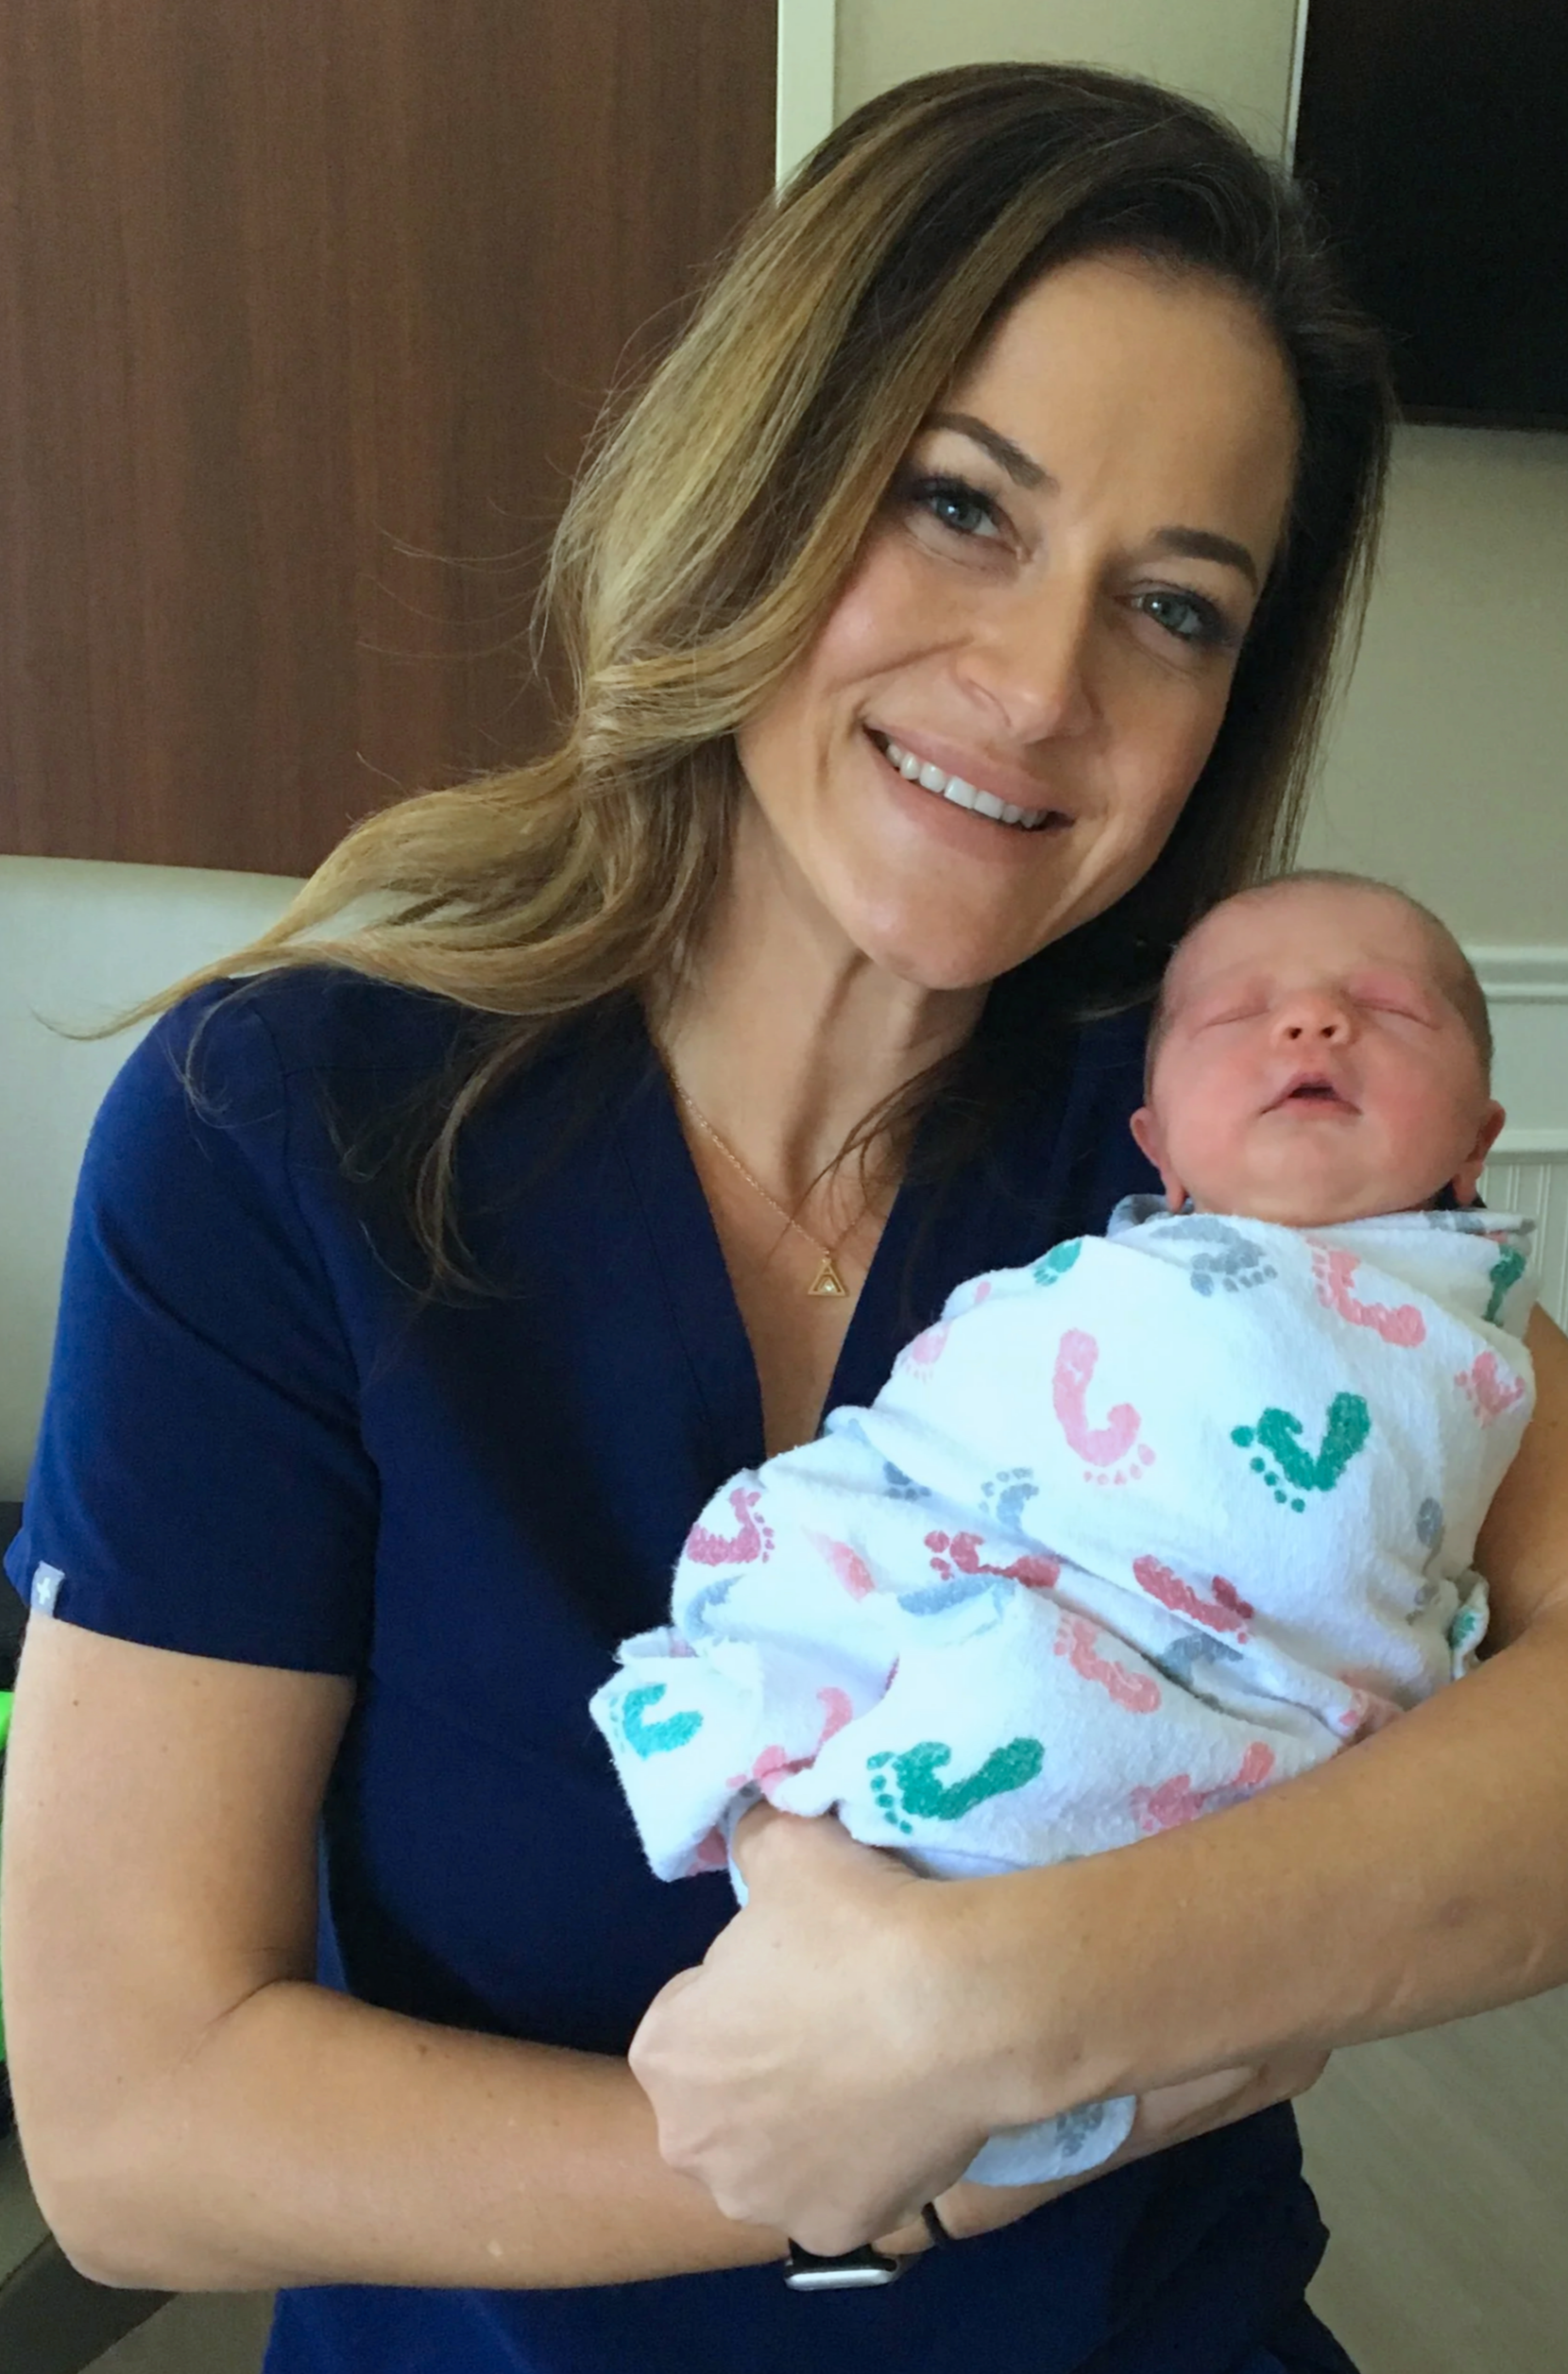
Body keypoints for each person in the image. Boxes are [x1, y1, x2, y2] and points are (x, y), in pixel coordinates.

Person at [3, 59, 1566, 2374]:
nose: (1039, 690)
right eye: (957, 504)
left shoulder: (1220, 1149)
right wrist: (904, 2146)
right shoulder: (286, 1132)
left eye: (1169, 602)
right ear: (760, 475)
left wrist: (1002, 1995)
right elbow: (141, 2115)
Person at [592, 873, 1533, 2191]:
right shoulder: (1114, 1276)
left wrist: (994, 2005)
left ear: (1476, 1142)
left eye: (1387, 1008)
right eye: (1239, 1016)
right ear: (1155, 1148)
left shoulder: (1457, 1327)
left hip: (1212, 1733)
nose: (1314, 1024)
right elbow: (953, 1431)